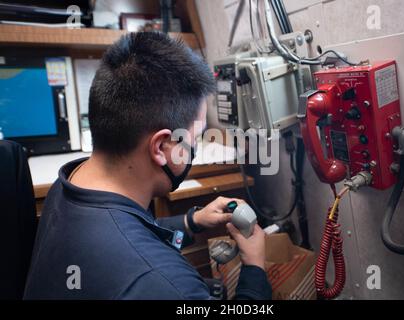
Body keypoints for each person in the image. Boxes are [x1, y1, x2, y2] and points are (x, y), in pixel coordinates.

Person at [24, 32, 271, 300]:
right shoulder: (166, 284)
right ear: (161, 147)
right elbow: (138, 258)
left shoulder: (67, 185)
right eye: (195, 137)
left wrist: (192, 221)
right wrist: (255, 267)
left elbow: (129, 234)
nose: (196, 147)